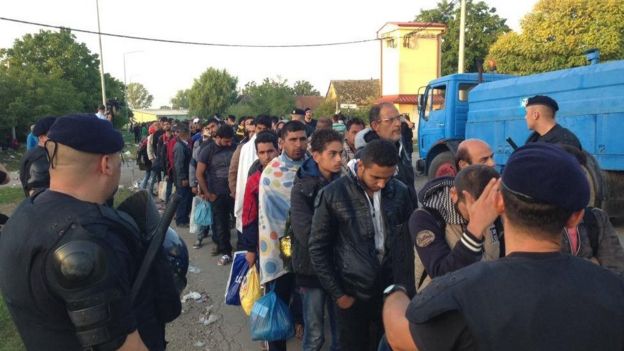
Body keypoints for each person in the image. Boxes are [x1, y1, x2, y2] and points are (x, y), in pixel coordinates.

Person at [383, 143, 624, 351]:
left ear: (499, 203)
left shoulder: (461, 295)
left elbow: (398, 336)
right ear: (577, 217)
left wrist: (394, 294)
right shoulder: (613, 291)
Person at [0, 114, 181, 351]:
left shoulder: (24, 213)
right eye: (118, 161)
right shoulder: (88, 240)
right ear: (106, 164)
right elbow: (123, 346)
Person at [309, 139, 414, 351]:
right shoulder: (333, 195)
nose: (382, 184)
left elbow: (408, 241)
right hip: (352, 293)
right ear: (360, 166)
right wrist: (338, 293)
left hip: (393, 291)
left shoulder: (400, 192)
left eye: (388, 177)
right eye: (376, 177)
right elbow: (318, 248)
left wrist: (407, 287)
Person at [410, 164, 503, 292]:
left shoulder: (495, 209)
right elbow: (440, 274)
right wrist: (475, 228)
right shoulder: (425, 218)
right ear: (453, 194)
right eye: (472, 208)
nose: (481, 214)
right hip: (441, 304)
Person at [291, 129, 343, 351]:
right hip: (311, 269)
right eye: (332, 154)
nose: (339, 159)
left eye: (341, 153)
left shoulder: (345, 183)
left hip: (340, 267)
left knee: (341, 333)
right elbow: (305, 234)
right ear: (316, 156)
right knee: (315, 335)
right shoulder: (302, 187)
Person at [258, 121, 309, 351]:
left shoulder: (312, 165)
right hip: (283, 244)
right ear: (282, 142)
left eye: (302, 139)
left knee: (305, 294)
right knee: (278, 299)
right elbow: (290, 213)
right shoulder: (272, 173)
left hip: (307, 244)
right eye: (293, 139)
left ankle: (300, 323)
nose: (299, 144)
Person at [357, 103, 418, 206]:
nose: (398, 124)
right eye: (390, 120)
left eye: (398, 118)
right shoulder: (366, 157)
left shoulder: (401, 149)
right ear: (375, 125)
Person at [196, 125, 236, 264]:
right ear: (217, 138)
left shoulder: (235, 147)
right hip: (217, 194)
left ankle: (243, 250)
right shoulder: (207, 151)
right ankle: (225, 251)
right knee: (221, 224)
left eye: (230, 141)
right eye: (226, 141)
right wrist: (207, 193)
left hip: (234, 193)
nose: (229, 144)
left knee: (241, 223)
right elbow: (199, 174)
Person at [233, 115, 272, 244]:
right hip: (250, 195)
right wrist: (235, 192)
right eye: (259, 128)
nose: (261, 131)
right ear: (254, 128)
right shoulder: (245, 148)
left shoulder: (275, 145)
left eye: (265, 128)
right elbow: (237, 173)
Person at [19, 116, 56, 197]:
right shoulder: (41, 158)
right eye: (55, 134)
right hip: (45, 206)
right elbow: (38, 191)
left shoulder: (32, 154)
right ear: (42, 138)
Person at [173, 125, 193, 227]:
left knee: (186, 198)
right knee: (183, 199)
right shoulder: (180, 146)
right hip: (183, 178)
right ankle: (181, 220)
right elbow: (179, 164)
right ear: (185, 134)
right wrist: (183, 178)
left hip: (185, 177)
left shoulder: (184, 144)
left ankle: (184, 217)